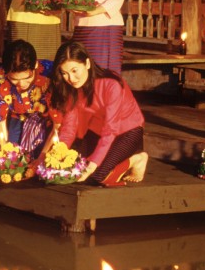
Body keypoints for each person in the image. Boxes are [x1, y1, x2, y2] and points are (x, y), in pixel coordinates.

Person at [46, 40, 147, 186]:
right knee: (74, 167)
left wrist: (93, 164)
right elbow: (69, 128)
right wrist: (58, 154)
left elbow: (110, 129)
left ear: (87, 64)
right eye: (64, 73)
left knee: (98, 175)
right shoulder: (70, 89)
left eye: (75, 71)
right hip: (98, 131)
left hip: (127, 131)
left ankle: (137, 159)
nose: (71, 79)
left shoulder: (111, 84)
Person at [0, 39, 53, 156]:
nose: (21, 84)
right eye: (14, 80)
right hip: (18, 117)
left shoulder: (50, 73)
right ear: (6, 72)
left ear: (35, 65)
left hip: (49, 120)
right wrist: (2, 159)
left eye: (27, 78)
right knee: (13, 155)